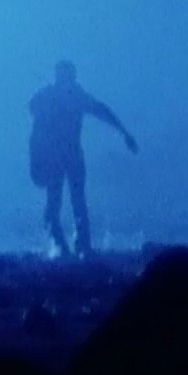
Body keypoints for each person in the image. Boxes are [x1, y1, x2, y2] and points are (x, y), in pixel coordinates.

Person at [27, 59, 136, 257]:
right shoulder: (51, 97)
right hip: (57, 157)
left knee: (73, 201)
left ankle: (77, 245)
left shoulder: (73, 96)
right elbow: (35, 123)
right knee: (58, 202)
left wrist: (124, 132)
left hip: (70, 155)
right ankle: (63, 245)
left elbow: (102, 111)